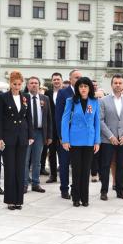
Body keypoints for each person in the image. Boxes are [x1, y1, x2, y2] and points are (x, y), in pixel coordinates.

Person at [0, 71, 34, 210]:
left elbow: (29, 118)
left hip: (22, 137)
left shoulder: (25, 97)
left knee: (20, 169)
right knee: (10, 169)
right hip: (8, 137)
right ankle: (10, 200)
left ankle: (19, 200)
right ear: (10, 83)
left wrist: (30, 135)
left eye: (19, 84)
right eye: (14, 84)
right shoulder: (4, 97)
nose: (17, 86)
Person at [61, 77, 100, 207]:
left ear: (90, 88)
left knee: (86, 170)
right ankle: (76, 198)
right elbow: (65, 120)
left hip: (89, 140)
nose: (83, 89)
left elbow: (97, 122)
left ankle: (85, 198)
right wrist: (65, 139)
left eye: (86, 86)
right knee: (77, 170)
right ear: (77, 88)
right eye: (81, 86)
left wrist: (97, 141)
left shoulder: (94, 102)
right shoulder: (71, 101)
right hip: (75, 140)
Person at [99, 74, 123, 201]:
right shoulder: (103, 100)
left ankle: (120, 191)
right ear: (111, 84)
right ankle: (103, 191)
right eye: (116, 83)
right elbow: (100, 121)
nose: (118, 85)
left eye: (120, 83)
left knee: (121, 165)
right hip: (108, 140)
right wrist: (110, 136)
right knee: (105, 166)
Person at [55, 69, 82, 199]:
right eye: (76, 77)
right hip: (66, 136)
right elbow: (58, 116)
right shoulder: (63, 92)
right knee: (64, 163)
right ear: (70, 79)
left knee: (77, 164)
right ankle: (64, 189)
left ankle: (75, 188)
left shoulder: (84, 92)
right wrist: (61, 136)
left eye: (80, 77)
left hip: (80, 136)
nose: (78, 80)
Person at [24, 77, 52, 193]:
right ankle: (24, 183)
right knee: (25, 160)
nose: (34, 85)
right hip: (26, 133)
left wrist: (49, 136)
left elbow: (49, 118)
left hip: (40, 133)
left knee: (37, 160)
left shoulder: (45, 98)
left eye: (36, 83)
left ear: (39, 86)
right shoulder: (23, 97)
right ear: (28, 85)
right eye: (31, 83)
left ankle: (36, 183)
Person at [41, 72, 63, 183]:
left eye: (58, 79)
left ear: (61, 80)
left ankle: (63, 175)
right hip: (51, 128)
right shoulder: (47, 93)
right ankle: (53, 175)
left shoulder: (66, 93)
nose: (56, 81)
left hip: (63, 128)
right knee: (52, 152)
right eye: (54, 79)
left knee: (63, 153)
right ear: (52, 81)